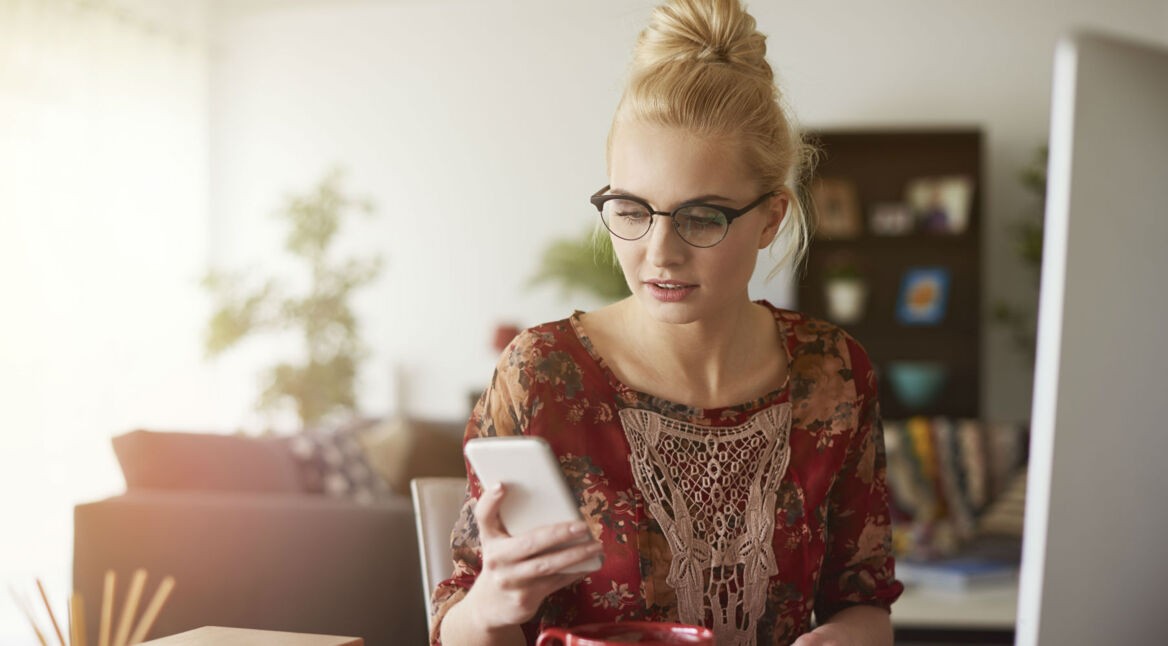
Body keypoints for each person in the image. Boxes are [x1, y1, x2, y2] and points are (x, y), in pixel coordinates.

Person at [431, 1, 903, 644]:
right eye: (631, 209)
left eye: (702, 217)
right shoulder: (542, 376)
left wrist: (841, 638)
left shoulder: (836, 374)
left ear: (770, 218)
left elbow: (865, 601)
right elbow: (458, 617)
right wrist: (489, 607)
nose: (659, 252)